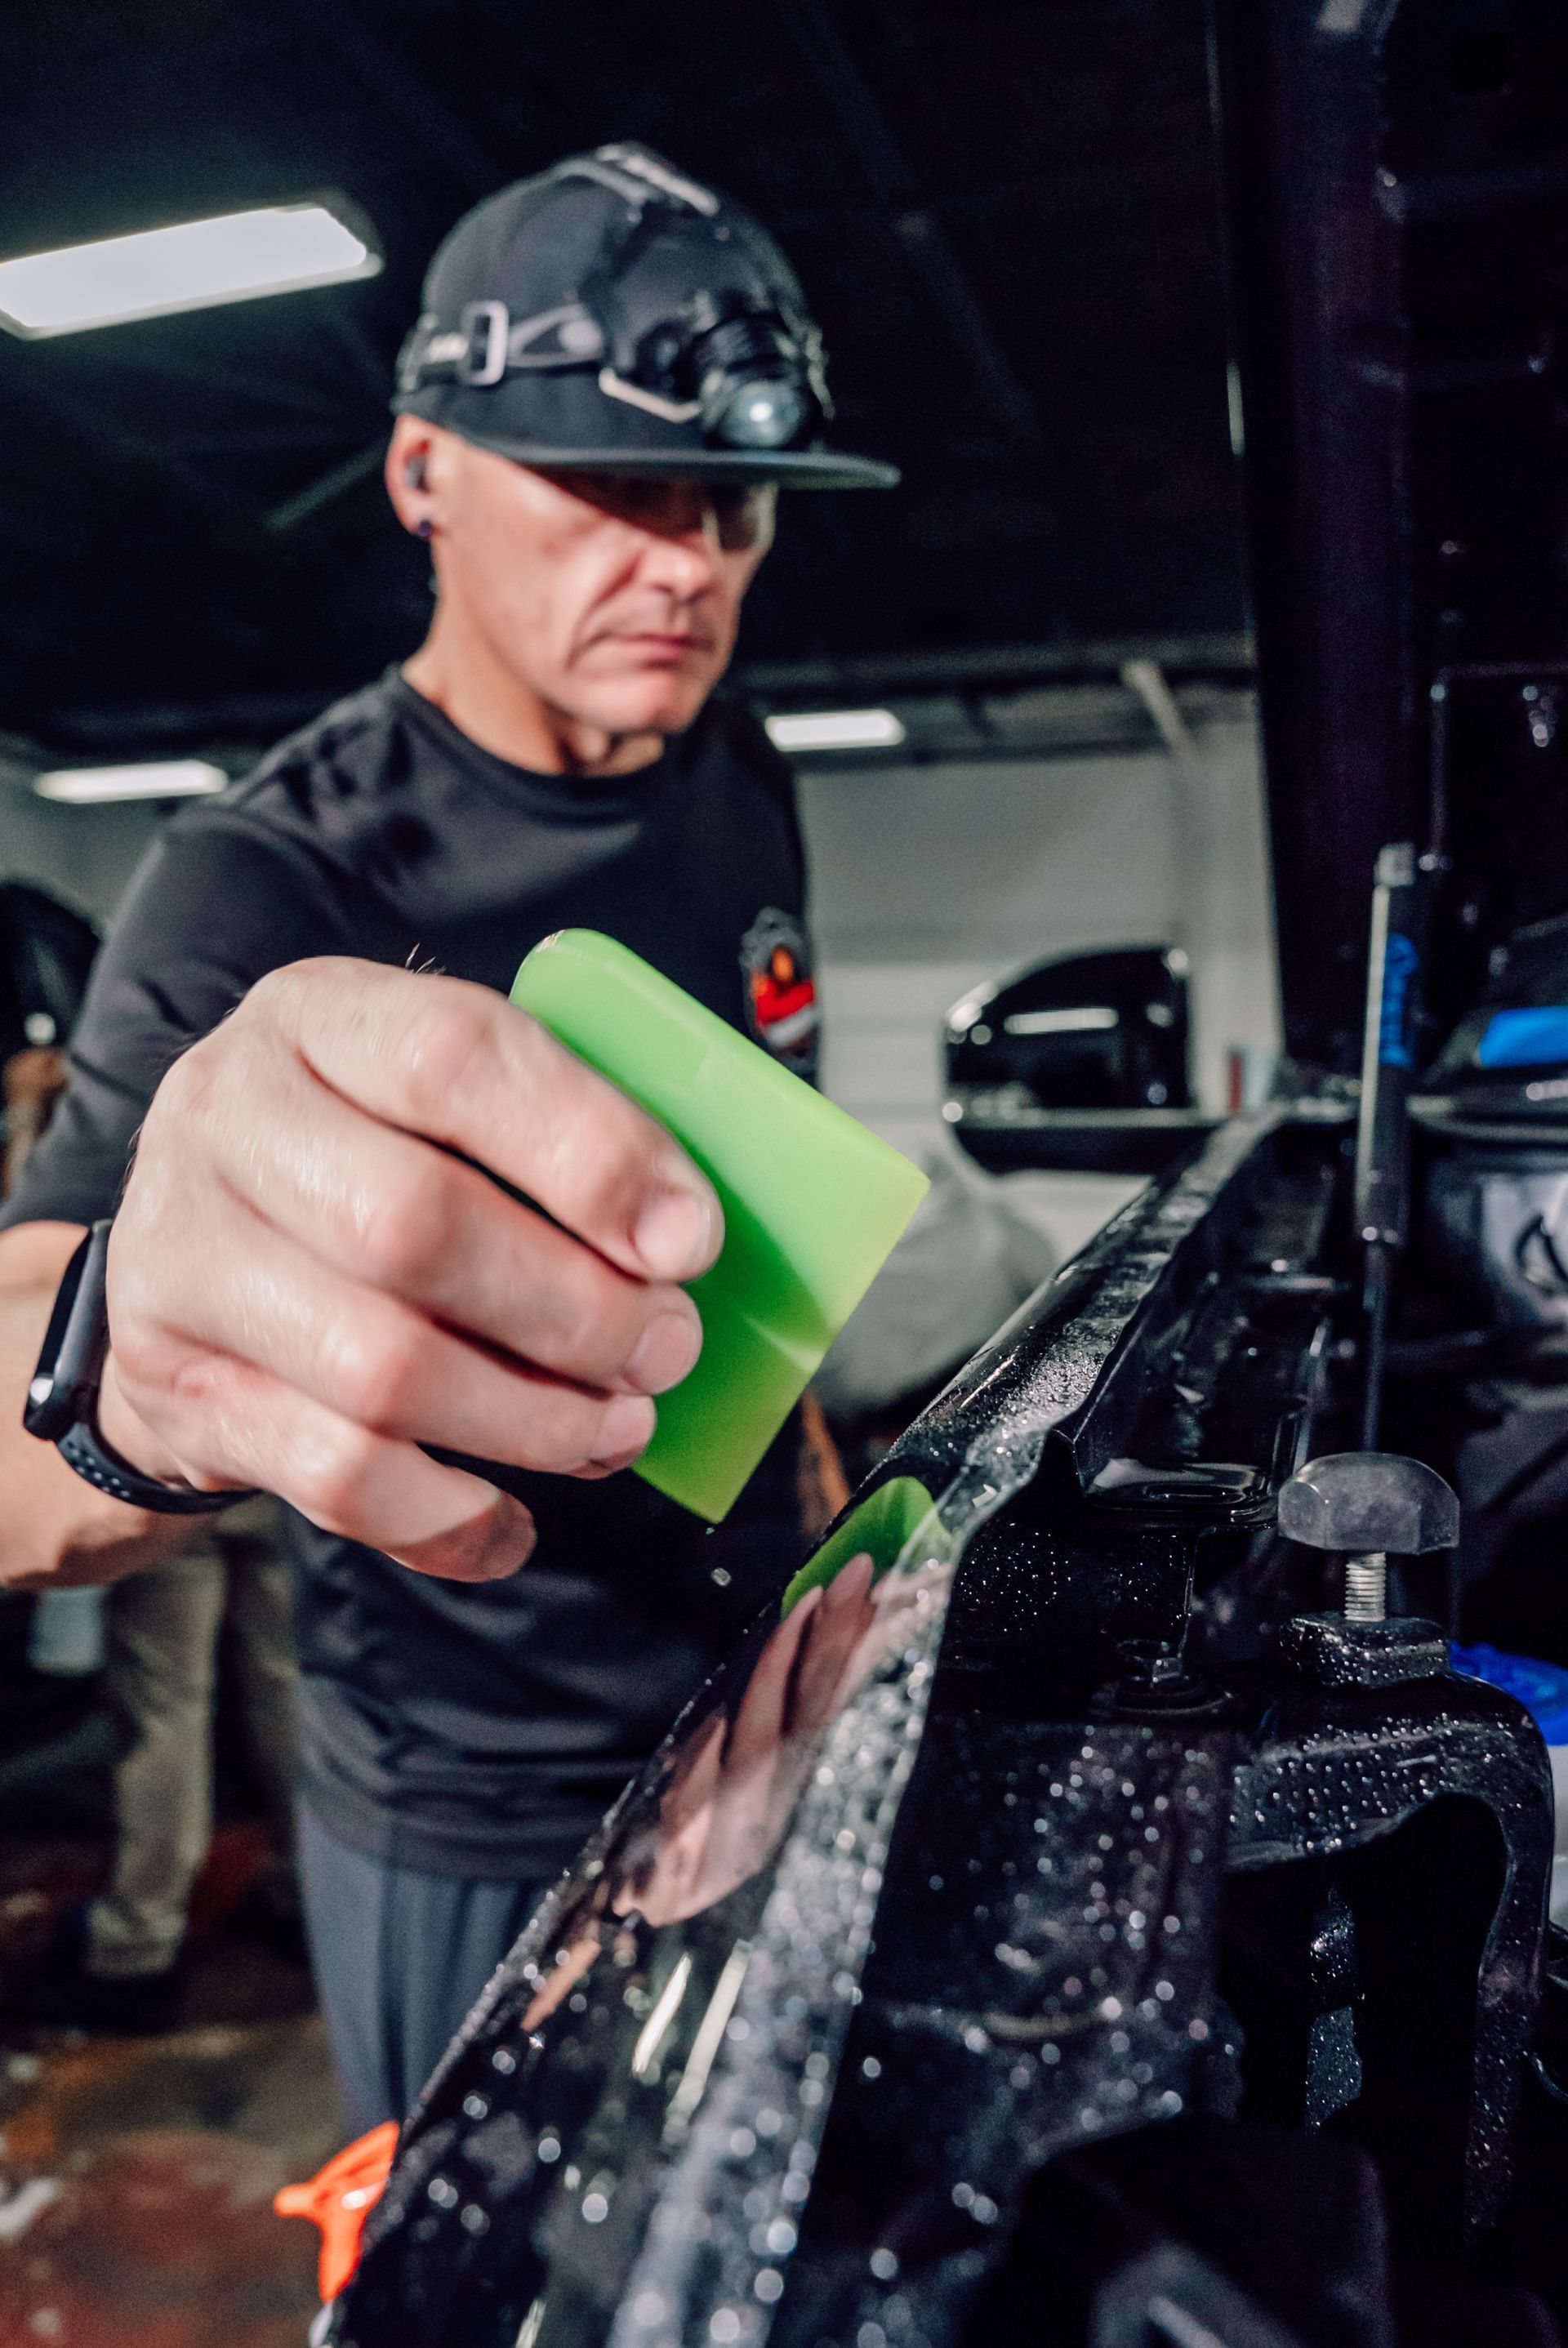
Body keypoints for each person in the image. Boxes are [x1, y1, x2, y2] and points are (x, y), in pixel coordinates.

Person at [0, 143, 895, 2129]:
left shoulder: (735, 776)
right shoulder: (266, 872)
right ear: (423, 475)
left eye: (730, 504)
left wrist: (825, 1522)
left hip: (757, 1705)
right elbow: (7, 1423)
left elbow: (753, 1235)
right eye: (608, 490)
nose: (686, 560)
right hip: (476, 1798)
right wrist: (129, 1355)